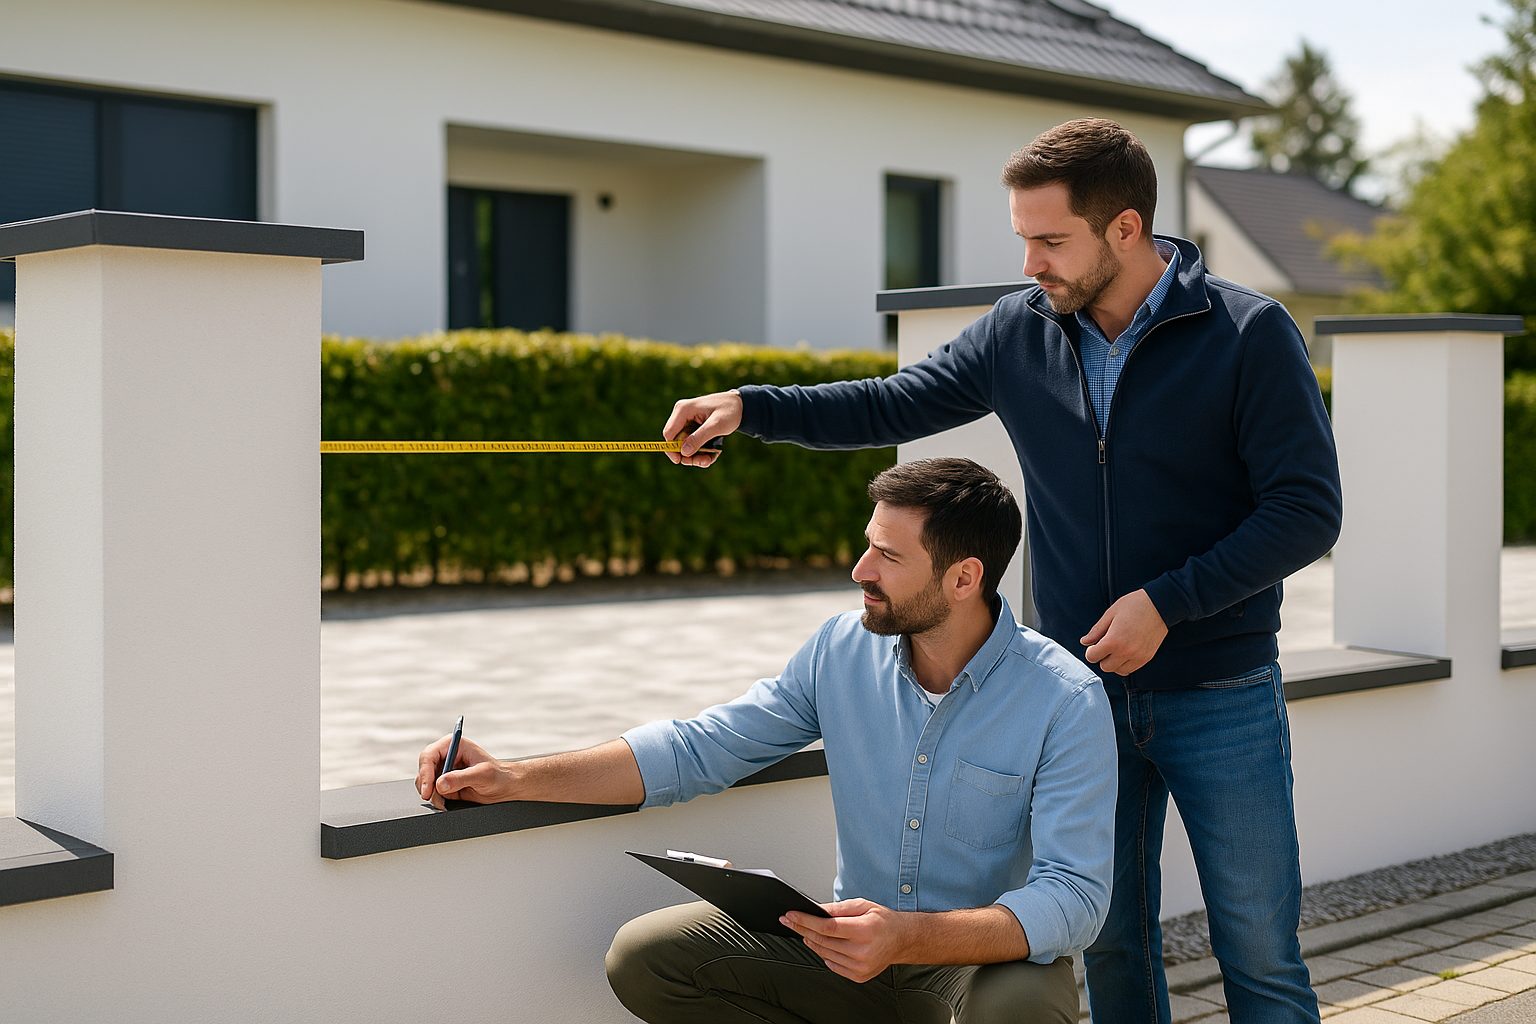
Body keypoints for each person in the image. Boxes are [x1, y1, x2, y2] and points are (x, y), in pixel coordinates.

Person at [662, 119, 1343, 1024]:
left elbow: (1307, 511)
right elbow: (894, 399)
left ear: (1126, 230)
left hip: (1219, 688)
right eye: (1022, 237)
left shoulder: (1248, 335)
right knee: (1108, 947)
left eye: (1051, 240)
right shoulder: (1022, 330)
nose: (1030, 262)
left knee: (1258, 947)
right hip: (1081, 695)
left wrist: (1167, 605)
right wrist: (752, 408)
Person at [418, 457, 1116, 1024]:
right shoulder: (840, 651)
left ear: (964, 578)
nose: (859, 571)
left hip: (977, 970)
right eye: (868, 544)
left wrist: (908, 936)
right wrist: (515, 777)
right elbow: (698, 748)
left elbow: (1074, 899)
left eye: (887, 556)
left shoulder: (1062, 698)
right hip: (845, 957)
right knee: (648, 956)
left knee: (1023, 1008)